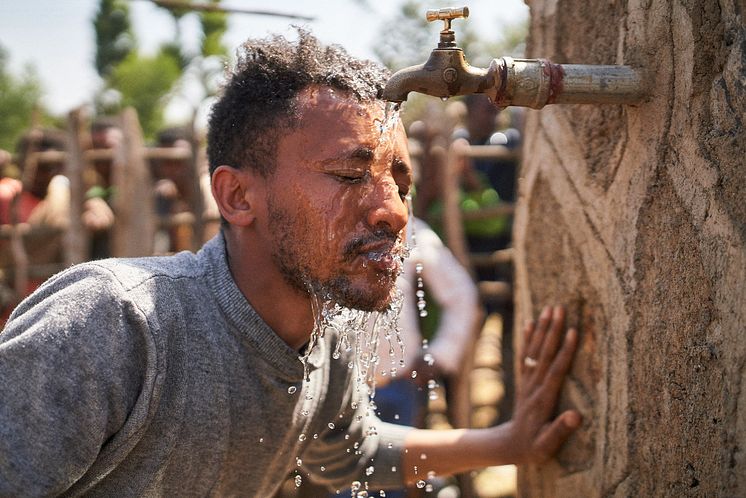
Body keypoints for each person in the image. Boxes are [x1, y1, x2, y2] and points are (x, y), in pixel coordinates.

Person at [0, 32, 580, 496]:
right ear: (237, 198)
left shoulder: (324, 340)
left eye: (401, 183)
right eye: (350, 176)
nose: (392, 212)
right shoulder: (115, 325)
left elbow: (351, 453)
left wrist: (510, 443)